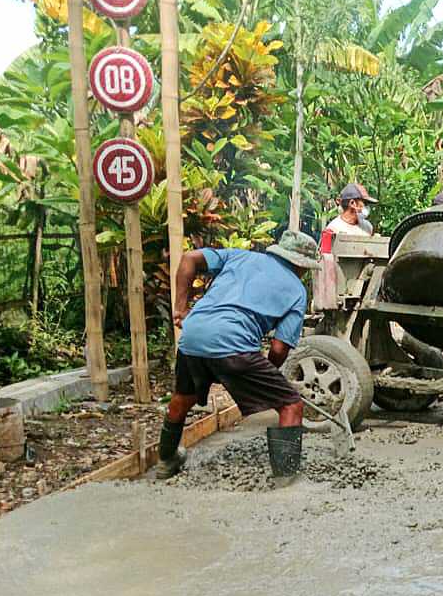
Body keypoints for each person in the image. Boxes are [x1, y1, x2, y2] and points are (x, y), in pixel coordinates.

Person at [157, 231, 322, 482]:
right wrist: (265, 373)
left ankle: (166, 461)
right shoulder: (297, 291)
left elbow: (189, 258)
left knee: (182, 398)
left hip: (192, 336)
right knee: (290, 404)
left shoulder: (238, 257)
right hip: (234, 344)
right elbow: (279, 349)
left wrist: (180, 307)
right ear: (302, 266)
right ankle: (286, 479)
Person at [320, 182, 378, 253]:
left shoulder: (367, 227)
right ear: (352, 203)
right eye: (364, 203)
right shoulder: (332, 229)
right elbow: (325, 257)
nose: (367, 207)